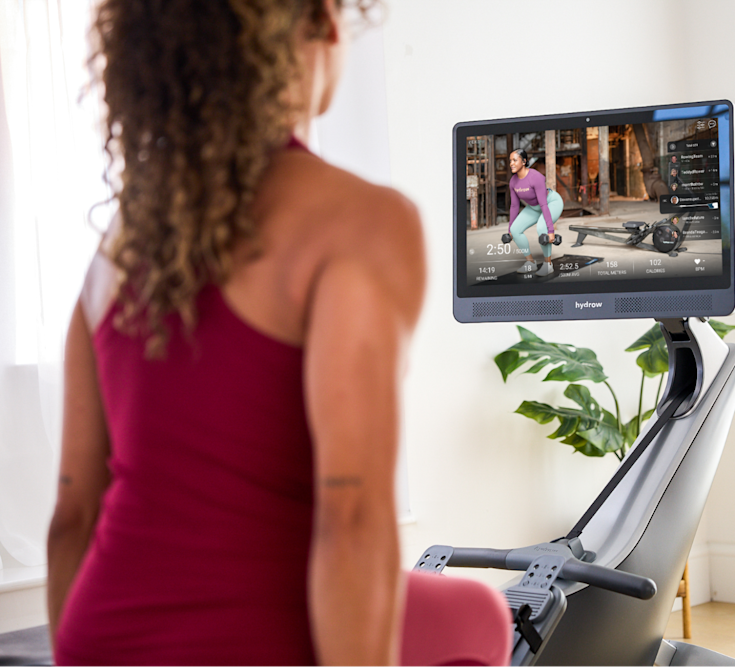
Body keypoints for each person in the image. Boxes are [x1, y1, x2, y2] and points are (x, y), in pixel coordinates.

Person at [46, 1, 512, 665]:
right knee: (481, 614)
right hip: (261, 638)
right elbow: (350, 520)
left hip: (101, 634)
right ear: (320, 20)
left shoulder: (115, 250)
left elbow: (72, 520)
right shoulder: (360, 222)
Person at [507, 149, 564, 277]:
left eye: (515, 160)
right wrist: (510, 228)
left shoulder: (535, 177)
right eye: (510, 160)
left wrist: (550, 231)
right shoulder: (513, 181)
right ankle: (530, 263)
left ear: (524, 161)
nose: (511, 163)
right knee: (515, 229)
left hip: (551, 202)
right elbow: (514, 205)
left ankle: (548, 265)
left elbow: (543, 204)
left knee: (541, 227)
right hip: (533, 207)